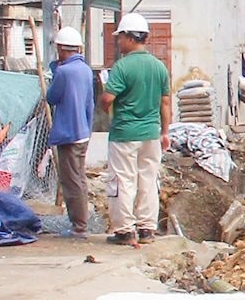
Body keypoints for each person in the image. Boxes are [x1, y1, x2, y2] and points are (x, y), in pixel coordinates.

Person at [99, 16, 170, 245]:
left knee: (123, 181)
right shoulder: (159, 67)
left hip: (125, 134)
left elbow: (107, 99)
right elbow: (165, 103)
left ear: (130, 37)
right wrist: (165, 132)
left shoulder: (122, 67)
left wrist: (105, 98)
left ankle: (125, 231)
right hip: (151, 133)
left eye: (120, 37)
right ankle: (147, 229)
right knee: (148, 181)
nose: (119, 42)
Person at [44, 27, 97, 236]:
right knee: (79, 178)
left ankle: (79, 226)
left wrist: (55, 71)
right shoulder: (85, 70)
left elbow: (51, 97)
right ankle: (80, 224)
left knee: (71, 181)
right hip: (83, 131)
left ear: (61, 49)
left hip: (69, 133)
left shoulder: (64, 72)